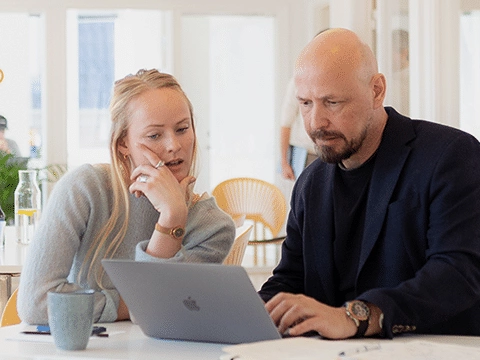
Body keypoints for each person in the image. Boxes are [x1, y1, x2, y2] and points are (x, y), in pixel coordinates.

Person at [259, 28, 480, 339]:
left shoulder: (449, 155)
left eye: (332, 102)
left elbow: (458, 272)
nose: (315, 123)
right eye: (305, 104)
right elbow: (290, 280)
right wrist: (246, 314)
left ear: (377, 90)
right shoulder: (310, 183)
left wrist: (358, 316)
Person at [18, 69, 235, 325]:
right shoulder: (84, 189)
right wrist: (127, 304)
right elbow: (36, 303)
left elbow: (159, 312)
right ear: (123, 144)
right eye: (155, 135)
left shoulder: (213, 228)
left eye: (182, 129)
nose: (174, 145)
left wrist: (172, 217)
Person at [280, 77, 317, 180]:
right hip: (306, 154)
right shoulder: (296, 82)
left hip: (331, 154)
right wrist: (284, 162)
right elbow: (285, 123)